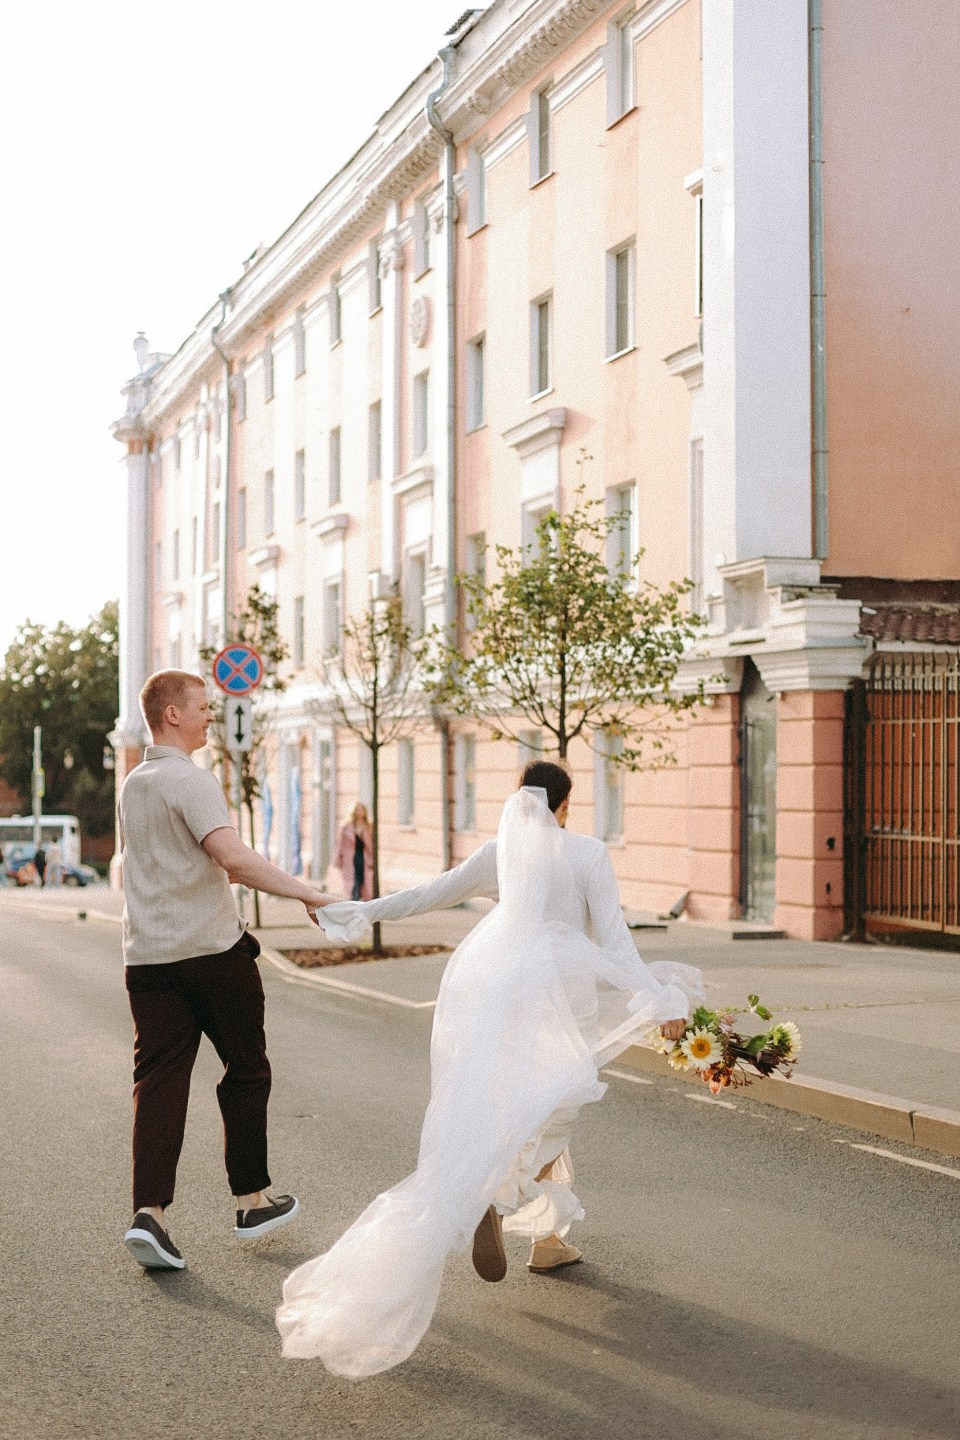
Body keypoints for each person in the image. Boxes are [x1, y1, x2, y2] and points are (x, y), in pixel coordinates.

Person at [276, 760, 703, 1377]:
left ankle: (550, 1241)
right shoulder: (585, 853)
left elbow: (429, 895)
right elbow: (614, 936)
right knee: (552, 1107)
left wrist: (358, 911)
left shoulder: (502, 851)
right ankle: (500, 1198)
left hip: (493, 989)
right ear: (564, 805)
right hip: (562, 1001)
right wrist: (660, 1002)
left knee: (520, 1103)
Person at [119, 669, 331, 1272]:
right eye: (202, 706)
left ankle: (150, 1217)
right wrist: (308, 894)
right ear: (173, 716)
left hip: (148, 960)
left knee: (158, 1083)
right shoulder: (191, 780)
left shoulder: (134, 784)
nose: (212, 715)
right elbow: (231, 858)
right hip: (211, 954)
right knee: (246, 1068)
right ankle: (252, 1200)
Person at [334, 802, 373, 900]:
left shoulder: (368, 826)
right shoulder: (346, 826)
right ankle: (354, 900)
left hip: (363, 857)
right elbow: (340, 844)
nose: (359, 812)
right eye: (357, 810)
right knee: (352, 880)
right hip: (349, 857)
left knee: (363, 880)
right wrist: (338, 859)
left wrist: (372, 858)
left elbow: (371, 845)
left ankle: (360, 900)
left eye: (361, 810)